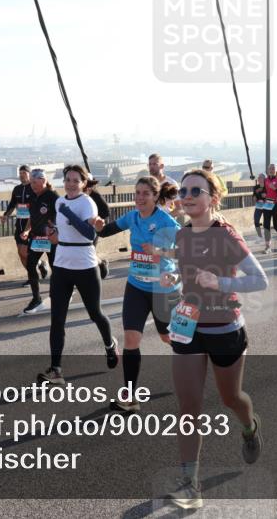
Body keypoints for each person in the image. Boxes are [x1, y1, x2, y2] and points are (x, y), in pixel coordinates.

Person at [161, 169, 267, 509]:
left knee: (230, 399)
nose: (187, 195)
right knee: (188, 408)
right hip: (189, 329)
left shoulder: (226, 236)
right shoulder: (182, 235)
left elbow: (259, 280)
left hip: (225, 328)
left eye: (196, 190)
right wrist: (173, 279)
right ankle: (189, 485)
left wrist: (221, 284)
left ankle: (249, 426)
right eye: (183, 190)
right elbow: (187, 273)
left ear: (213, 198)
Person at [95, 176, 181, 411]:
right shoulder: (132, 217)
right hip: (136, 286)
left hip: (163, 288)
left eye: (145, 193)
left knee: (167, 337)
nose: (140, 198)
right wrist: (98, 226)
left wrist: (159, 250)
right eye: (137, 192)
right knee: (131, 339)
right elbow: (105, 231)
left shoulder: (166, 222)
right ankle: (131, 396)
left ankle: (195, 358)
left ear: (155, 197)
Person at [37, 165, 119, 386]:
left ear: (83, 183)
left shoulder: (86, 203)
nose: (71, 184)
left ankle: (110, 345)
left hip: (85, 265)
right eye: (67, 180)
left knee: (95, 313)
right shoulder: (59, 201)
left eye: (75, 180)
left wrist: (68, 213)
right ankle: (56, 370)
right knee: (57, 319)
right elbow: (60, 233)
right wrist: (53, 234)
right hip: (62, 265)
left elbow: (89, 234)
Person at [20, 169, 59, 315]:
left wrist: (54, 228)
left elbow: (61, 215)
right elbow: (32, 216)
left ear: (43, 180)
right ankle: (36, 298)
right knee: (30, 265)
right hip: (36, 238)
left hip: (50, 238)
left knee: (56, 269)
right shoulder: (32, 196)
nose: (32, 186)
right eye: (31, 183)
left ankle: (57, 295)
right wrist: (26, 230)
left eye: (35, 182)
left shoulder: (52, 196)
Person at [3, 165, 49, 287]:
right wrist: (6, 215)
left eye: (24, 172)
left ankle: (33, 277)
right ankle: (38, 266)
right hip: (19, 224)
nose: (22, 174)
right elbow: (12, 204)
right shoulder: (17, 189)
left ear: (29, 175)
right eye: (20, 172)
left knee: (26, 252)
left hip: (32, 225)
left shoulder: (33, 188)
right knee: (21, 253)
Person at [83, 177, 111, 279]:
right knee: (87, 252)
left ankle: (100, 266)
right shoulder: (78, 196)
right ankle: (100, 265)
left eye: (86, 187)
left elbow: (106, 211)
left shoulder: (95, 196)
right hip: (83, 228)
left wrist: (97, 220)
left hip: (95, 228)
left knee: (89, 252)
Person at [262, 164, 277, 252]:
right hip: (267, 205)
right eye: (270, 169)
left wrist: (275, 189)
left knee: (276, 226)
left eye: (273, 169)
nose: (271, 170)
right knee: (266, 226)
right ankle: (268, 246)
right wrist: (263, 194)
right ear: (267, 170)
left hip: (276, 205)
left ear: (276, 170)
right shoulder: (265, 180)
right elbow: (264, 191)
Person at [251, 174, 267, 241]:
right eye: (258, 178)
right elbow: (254, 195)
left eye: (261, 178)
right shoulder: (256, 187)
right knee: (256, 221)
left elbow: (271, 196)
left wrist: (266, 196)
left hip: (266, 207)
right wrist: (254, 198)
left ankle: (266, 236)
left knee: (266, 222)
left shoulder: (267, 187)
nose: (259, 179)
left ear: (264, 179)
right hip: (258, 206)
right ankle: (260, 235)